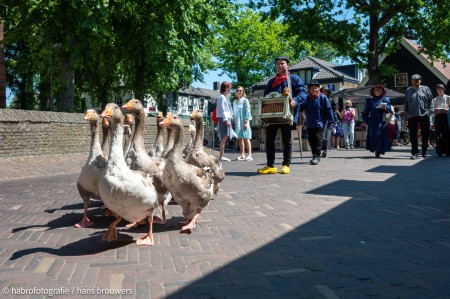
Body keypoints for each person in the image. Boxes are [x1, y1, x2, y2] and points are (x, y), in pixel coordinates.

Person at [257, 56, 307, 175]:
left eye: (282, 63)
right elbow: (266, 96)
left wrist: (296, 99)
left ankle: (286, 165)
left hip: (287, 115)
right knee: (269, 140)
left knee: (286, 140)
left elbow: (303, 93)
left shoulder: (294, 79)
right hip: (272, 115)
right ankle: (270, 165)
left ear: (288, 65)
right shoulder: (271, 81)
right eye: (278, 64)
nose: (279, 65)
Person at [300, 80, 334, 165]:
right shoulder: (306, 98)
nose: (314, 89)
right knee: (311, 140)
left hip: (320, 123)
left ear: (318, 89)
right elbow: (300, 108)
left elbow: (329, 110)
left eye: (316, 87)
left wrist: (331, 122)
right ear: (309, 89)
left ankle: (316, 156)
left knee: (318, 140)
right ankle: (314, 155)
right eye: (312, 88)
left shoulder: (323, 97)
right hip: (310, 123)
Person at [404, 74, 433, 159]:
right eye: (414, 80)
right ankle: (414, 153)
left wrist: (430, 112)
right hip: (412, 115)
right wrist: (406, 115)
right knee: (413, 134)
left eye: (417, 80)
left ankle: (424, 152)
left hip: (424, 114)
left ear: (420, 81)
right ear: (411, 81)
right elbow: (405, 103)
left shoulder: (426, 89)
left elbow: (431, 100)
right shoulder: (408, 90)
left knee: (425, 134)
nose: (415, 81)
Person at [361, 85, 393, 158]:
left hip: (381, 119)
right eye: (375, 91)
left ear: (381, 92)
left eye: (379, 90)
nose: (377, 92)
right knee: (373, 135)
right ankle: (376, 150)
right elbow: (365, 111)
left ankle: (379, 151)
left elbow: (389, 110)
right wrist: (365, 120)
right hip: (372, 120)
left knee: (379, 135)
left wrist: (385, 108)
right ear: (373, 92)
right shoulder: (370, 100)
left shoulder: (385, 100)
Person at [233, 86, 253, 161]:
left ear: (243, 92)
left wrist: (246, 122)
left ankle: (250, 155)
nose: (239, 92)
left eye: (241, 90)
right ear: (236, 92)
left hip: (244, 121)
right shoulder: (234, 102)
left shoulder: (245, 100)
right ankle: (242, 154)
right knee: (240, 138)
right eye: (238, 90)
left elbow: (248, 111)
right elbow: (234, 113)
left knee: (246, 137)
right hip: (237, 122)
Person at [216, 81, 233, 162]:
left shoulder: (225, 97)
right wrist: (226, 120)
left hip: (225, 118)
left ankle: (222, 155)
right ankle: (221, 156)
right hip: (224, 118)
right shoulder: (222, 98)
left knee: (225, 137)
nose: (230, 89)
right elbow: (223, 110)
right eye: (229, 88)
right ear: (225, 88)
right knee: (224, 136)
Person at [433, 83, 450, 157]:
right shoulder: (435, 99)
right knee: (439, 134)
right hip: (438, 117)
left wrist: (448, 110)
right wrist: (435, 111)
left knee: (447, 133)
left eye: (441, 89)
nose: (440, 90)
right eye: (439, 89)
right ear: (437, 91)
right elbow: (433, 111)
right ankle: (439, 151)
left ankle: (447, 151)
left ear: (444, 90)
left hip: (446, 116)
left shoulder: (448, 97)